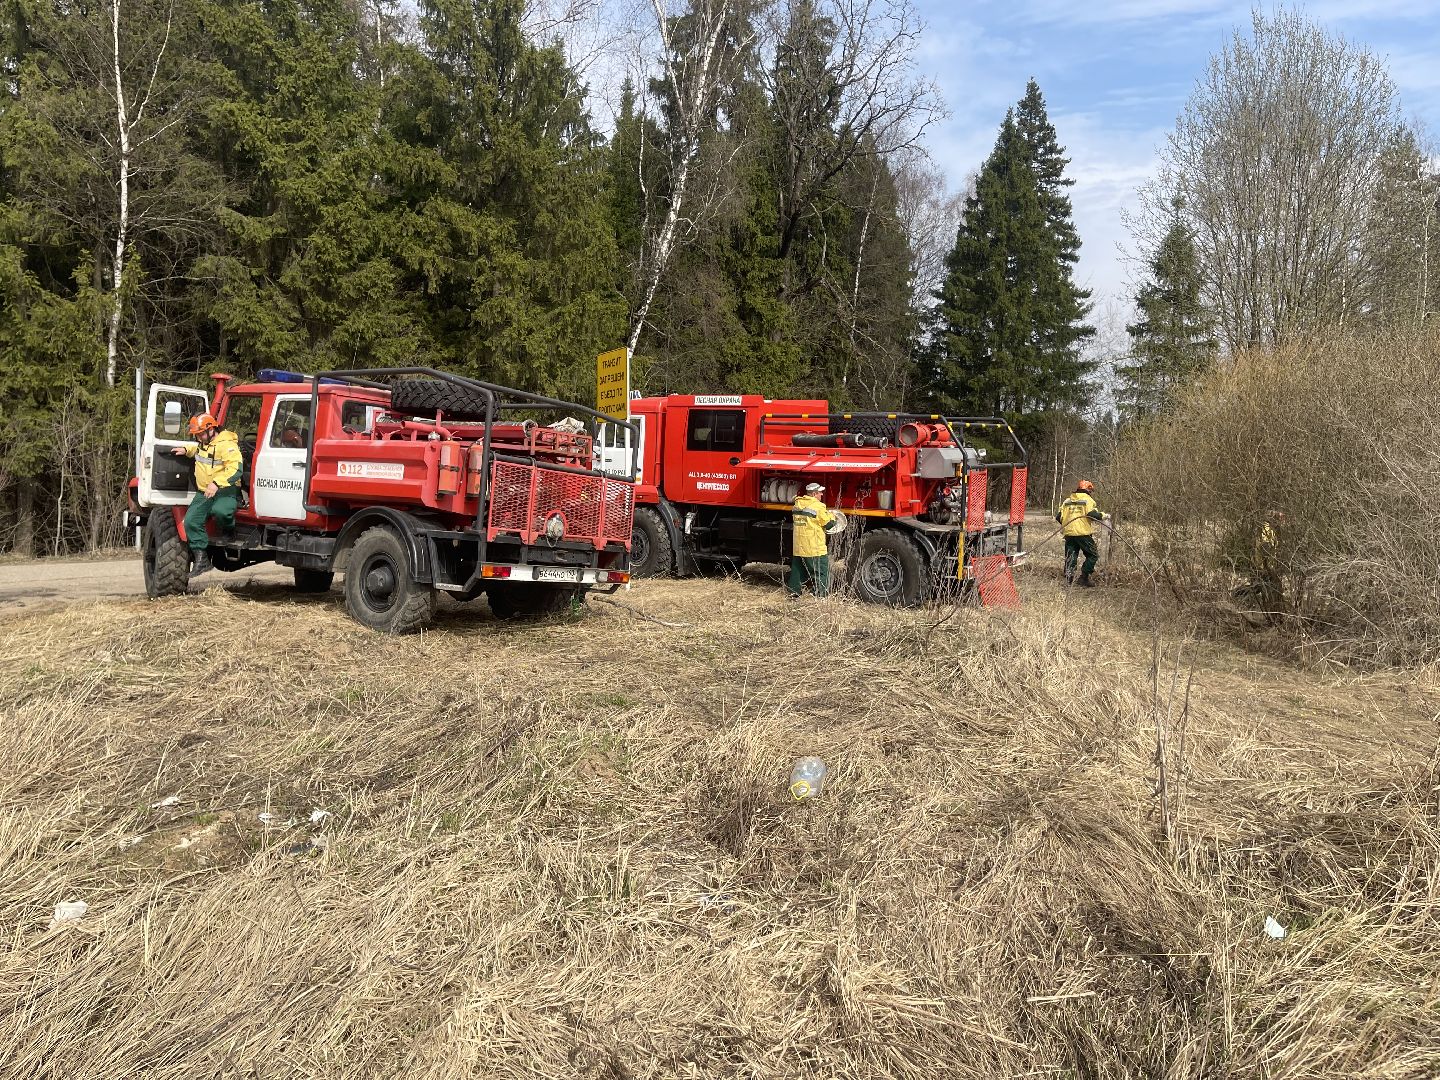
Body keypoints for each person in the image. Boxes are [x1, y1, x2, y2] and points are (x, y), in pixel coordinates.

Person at [171, 413, 243, 575]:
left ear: (211, 430)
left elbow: (236, 469)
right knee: (190, 521)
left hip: (225, 490)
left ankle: (229, 531)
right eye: (196, 435)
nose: (198, 438)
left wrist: (216, 483)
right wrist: (186, 449)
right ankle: (202, 559)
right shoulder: (202, 443)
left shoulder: (227, 445)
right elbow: (197, 450)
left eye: (200, 434)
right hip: (204, 492)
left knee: (221, 511)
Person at [787, 482, 836, 598]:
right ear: (814, 494)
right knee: (821, 572)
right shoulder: (818, 506)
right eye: (820, 492)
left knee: (797, 571)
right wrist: (832, 516)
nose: (822, 494)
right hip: (814, 546)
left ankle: (794, 593)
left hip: (799, 546)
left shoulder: (797, 504)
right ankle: (820, 595)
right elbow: (829, 524)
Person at [1056, 479, 1108, 587]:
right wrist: (1104, 515)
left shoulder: (1067, 501)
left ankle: (1069, 580)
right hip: (1083, 533)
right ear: (1088, 490)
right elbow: (1092, 514)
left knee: (1071, 557)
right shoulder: (1088, 500)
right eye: (1091, 491)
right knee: (1093, 555)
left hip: (1069, 533)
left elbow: (1058, 517)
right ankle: (1083, 578)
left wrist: (1068, 525)